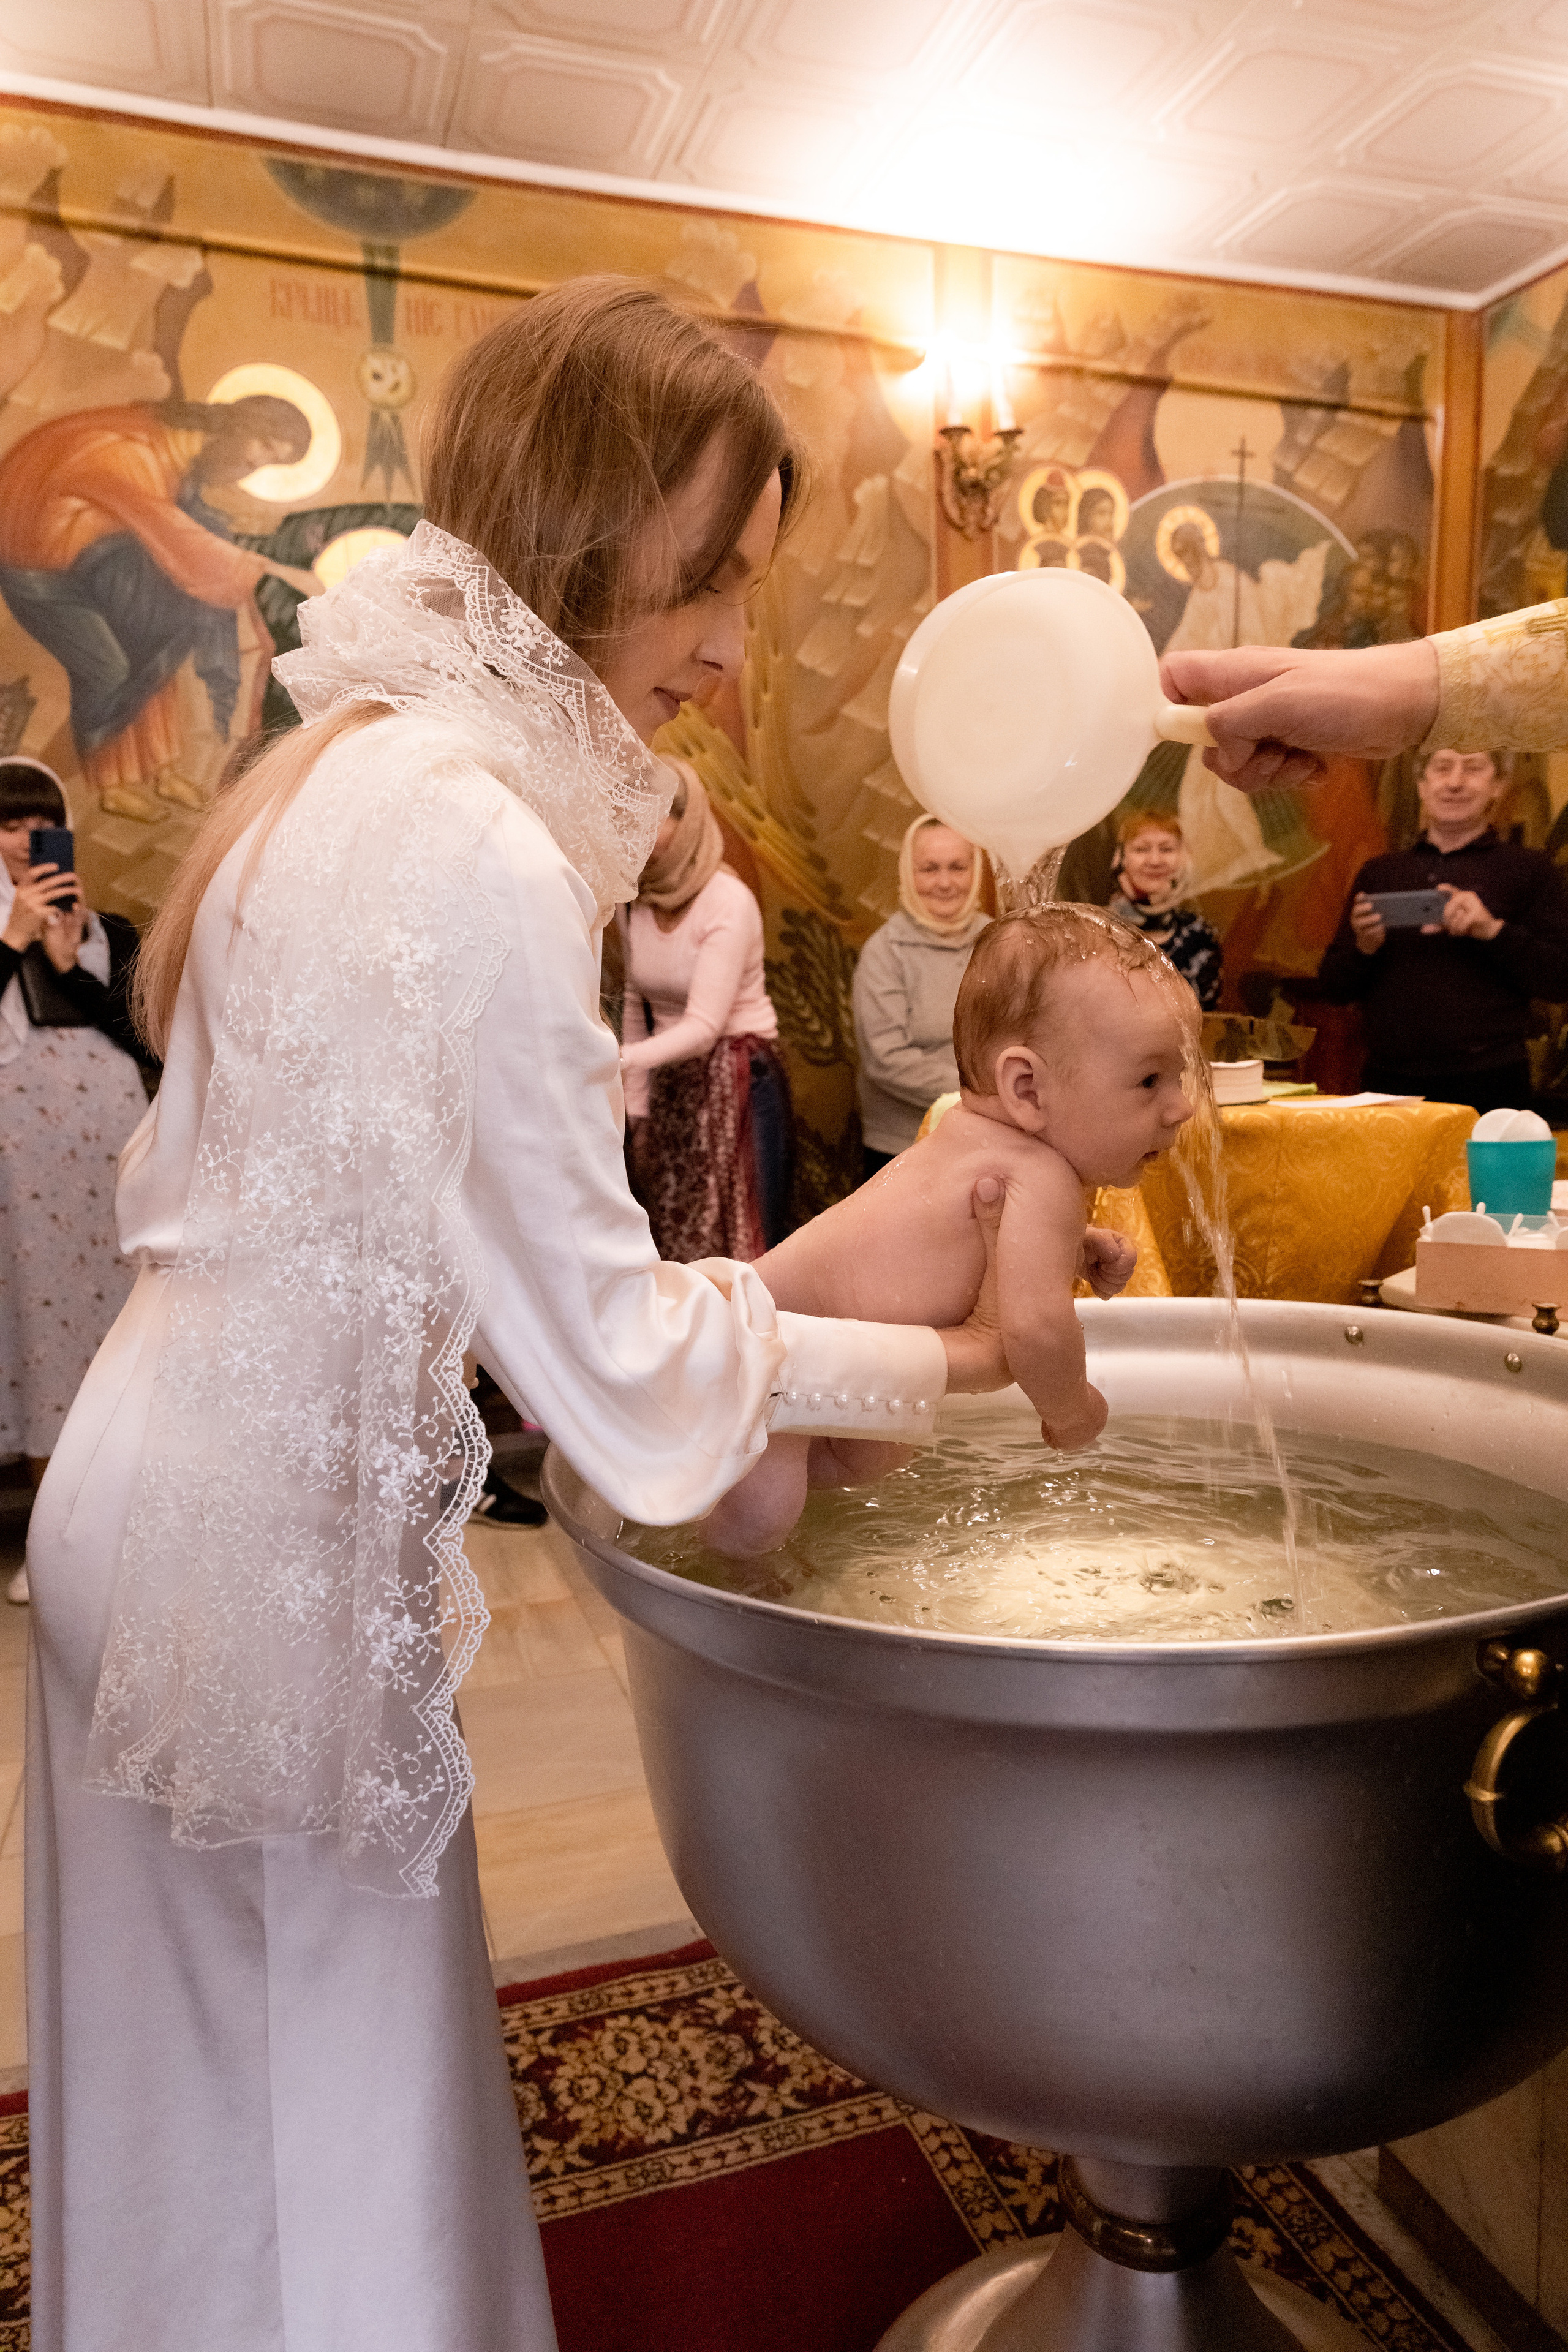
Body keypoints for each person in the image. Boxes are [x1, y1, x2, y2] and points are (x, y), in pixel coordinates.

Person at [24, 276, 1014, 2352]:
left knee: (197, 2085)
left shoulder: (353, 771)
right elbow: (630, 1389)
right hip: (259, 1548)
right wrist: (956, 1363)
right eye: (713, 587)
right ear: (592, 545)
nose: (737, 651)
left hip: (153, 1486)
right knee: (350, 2089)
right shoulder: (470, 841)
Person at [706, 905, 1185, 1557]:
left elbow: (954, 1251)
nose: (1181, 1104)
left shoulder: (972, 1138)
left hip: (775, 1335)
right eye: (1150, 1078)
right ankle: (730, 1570)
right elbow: (1036, 1331)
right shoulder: (1041, 1177)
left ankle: (741, 1520)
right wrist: (1071, 1409)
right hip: (768, 1354)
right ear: (1027, 1089)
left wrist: (1073, 1248)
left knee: (872, 1455)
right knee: (764, 1510)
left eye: (1179, 1075)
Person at [0, 397, 322, 819]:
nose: (254, 466)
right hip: (40, 570)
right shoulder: (127, 452)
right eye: (262, 446)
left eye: (270, 462)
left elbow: (179, 518)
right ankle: (100, 780)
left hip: (94, 557)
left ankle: (161, 769)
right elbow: (170, 531)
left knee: (163, 635)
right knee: (108, 670)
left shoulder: (172, 454)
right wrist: (268, 568)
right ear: (237, 425)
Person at [0, 755, 148, 1605]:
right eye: (10, 823)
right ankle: (53, 1546)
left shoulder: (109, 932)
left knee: (126, 1335)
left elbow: (146, 1042)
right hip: (24, 1177)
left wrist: (66, 960)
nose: (26, 838)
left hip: (112, 1157)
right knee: (43, 1345)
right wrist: (13, 940)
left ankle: (135, 1525)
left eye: (39, 819)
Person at [1313, 744, 1568, 1113]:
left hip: (1491, 1078)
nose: (1455, 782)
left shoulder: (1529, 870)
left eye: (1474, 768)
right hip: (1388, 1080)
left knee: (1482, 1175)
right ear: (1421, 784)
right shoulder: (1381, 873)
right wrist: (1365, 947)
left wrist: (1492, 931)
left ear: (1498, 786)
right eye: (1442, 767)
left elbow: (1560, 979)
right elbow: (1333, 988)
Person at [619, 761, 790, 1259]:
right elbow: (635, 1003)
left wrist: (621, 1059)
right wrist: (637, 1109)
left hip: (737, 1078)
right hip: (672, 1081)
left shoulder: (728, 900)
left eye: (651, 822)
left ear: (687, 822)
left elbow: (703, 1026)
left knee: (741, 1241)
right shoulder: (639, 901)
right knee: (677, 1235)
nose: (639, 838)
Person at [853, 813, 989, 1181]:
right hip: (905, 1143)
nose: (944, 883)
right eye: (929, 869)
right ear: (908, 875)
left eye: (958, 867)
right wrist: (983, 1092)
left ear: (976, 871)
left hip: (991, 1137)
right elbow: (886, 1058)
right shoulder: (885, 952)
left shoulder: (998, 941)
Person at [1106, 810, 1223, 1008]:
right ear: (1121, 859)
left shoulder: (1200, 935)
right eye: (1141, 849)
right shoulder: (1094, 927)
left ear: (1184, 859)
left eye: (1167, 849)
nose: (1154, 861)